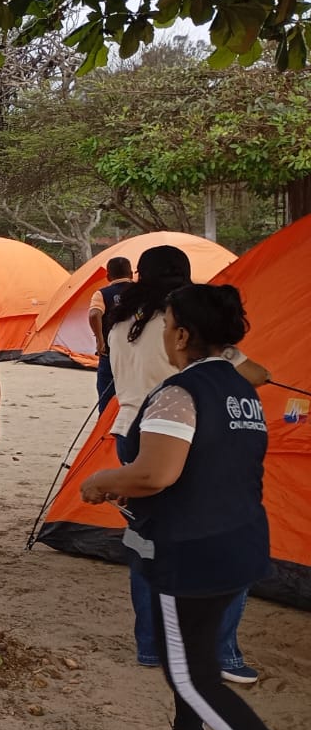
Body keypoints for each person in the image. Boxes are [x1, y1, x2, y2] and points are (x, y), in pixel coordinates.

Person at [80, 285, 307, 730]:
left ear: (182, 335)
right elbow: (207, 465)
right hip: (241, 542)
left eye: (165, 327)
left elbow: (154, 473)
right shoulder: (242, 390)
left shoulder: (179, 393)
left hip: (193, 554)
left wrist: (102, 482)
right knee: (197, 653)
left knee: (191, 676)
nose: (164, 336)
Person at [107, 245, 267, 683]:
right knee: (219, 533)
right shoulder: (187, 325)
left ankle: (151, 645)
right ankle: (220, 652)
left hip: (128, 431)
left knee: (147, 538)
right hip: (181, 435)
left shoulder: (121, 321)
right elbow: (253, 374)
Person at [89, 256, 133, 413]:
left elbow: (94, 314)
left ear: (108, 276)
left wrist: (100, 340)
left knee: (106, 396)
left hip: (111, 352)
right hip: (136, 352)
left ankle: (105, 424)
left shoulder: (102, 294)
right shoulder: (141, 292)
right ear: (131, 274)